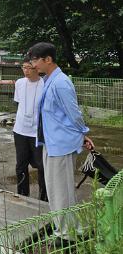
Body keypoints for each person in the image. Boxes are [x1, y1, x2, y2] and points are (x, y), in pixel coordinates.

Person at [28, 42, 94, 230]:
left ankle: (68, 234)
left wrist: (83, 134)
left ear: (48, 59)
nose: (33, 65)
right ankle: (62, 228)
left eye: (35, 60)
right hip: (51, 142)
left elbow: (74, 113)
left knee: (62, 191)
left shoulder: (61, 82)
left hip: (62, 145)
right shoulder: (49, 80)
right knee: (54, 190)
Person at [13, 58, 47, 201]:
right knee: (21, 164)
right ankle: (22, 194)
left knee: (41, 165)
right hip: (20, 130)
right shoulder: (19, 83)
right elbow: (19, 103)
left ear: (36, 68)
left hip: (37, 132)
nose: (26, 71)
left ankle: (44, 197)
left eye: (29, 68)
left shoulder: (45, 84)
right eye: (24, 67)